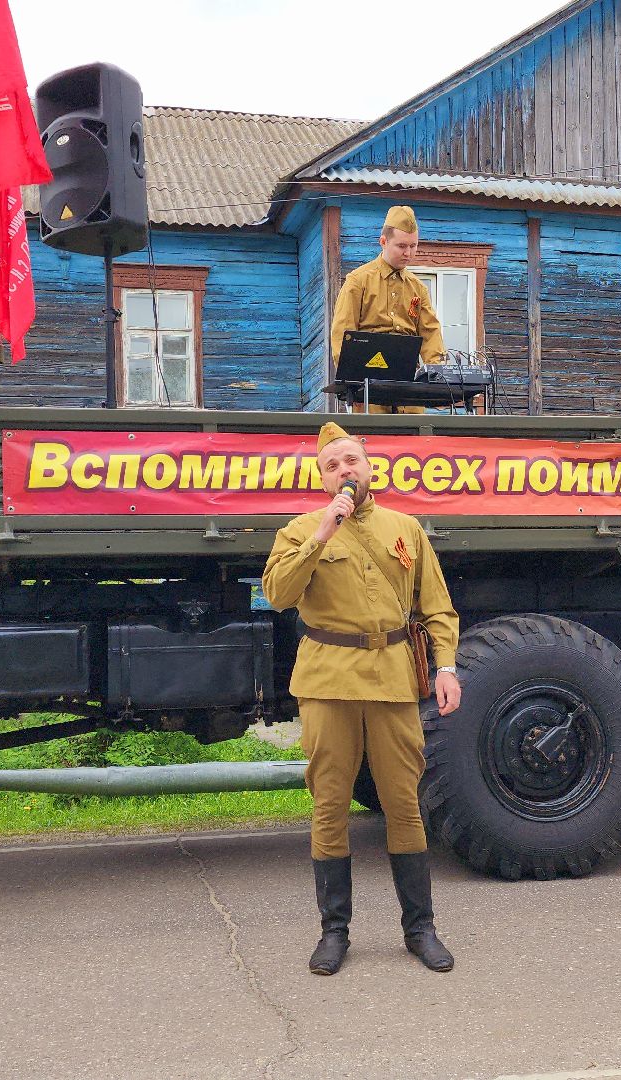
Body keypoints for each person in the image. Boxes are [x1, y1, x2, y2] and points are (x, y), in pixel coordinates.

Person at [262, 421, 463, 975]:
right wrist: (322, 533)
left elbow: (437, 608)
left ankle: (420, 929)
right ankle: (334, 931)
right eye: (332, 465)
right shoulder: (300, 530)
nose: (344, 471)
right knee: (330, 802)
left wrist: (445, 667)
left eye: (351, 460)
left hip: (394, 677)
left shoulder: (406, 528)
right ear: (322, 479)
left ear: (369, 465)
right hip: (328, 679)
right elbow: (278, 594)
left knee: (403, 801)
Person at [329, 205, 443, 415]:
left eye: (413, 246)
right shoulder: (358, 281)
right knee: (372, 442)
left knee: (414, 443)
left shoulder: (418, 288)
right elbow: (342, 334)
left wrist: (435, 374)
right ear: (383, 242)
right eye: (401, 246)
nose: (408, 253)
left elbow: (430, 333)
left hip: (408, 388)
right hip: (368, 386)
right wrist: (351, 383)